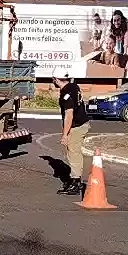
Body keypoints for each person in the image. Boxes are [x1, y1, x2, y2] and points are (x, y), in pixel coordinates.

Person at [52, 67, 90, 196]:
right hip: (82, 123)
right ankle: (75, 179)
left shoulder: (66, 95)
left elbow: (69, 115)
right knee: (73, 152)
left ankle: (76, 183)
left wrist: (65, 134)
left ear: (56, 80)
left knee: (73, 153)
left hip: (76, 126)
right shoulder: (74, 86)